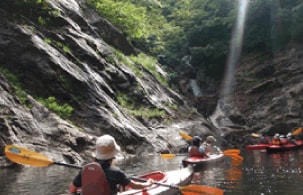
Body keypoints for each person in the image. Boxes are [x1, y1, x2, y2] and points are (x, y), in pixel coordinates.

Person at [69, 134, 153, 195]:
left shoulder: (85, 170)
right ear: (113, 156)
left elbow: (72, 189)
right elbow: (135, 186)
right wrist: (148, 183)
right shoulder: (116, 173)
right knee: (123, 186)